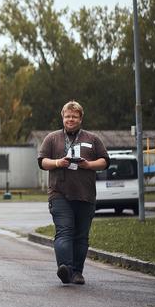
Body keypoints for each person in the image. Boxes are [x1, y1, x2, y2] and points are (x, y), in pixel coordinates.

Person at [38, 100, 109, 285]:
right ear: (62, 117)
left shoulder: (92, 139)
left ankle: (77, 272)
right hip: (59, 193)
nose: (70, 119)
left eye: (74, 116)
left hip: (85, 194)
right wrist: (57, 163)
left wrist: (89, 165)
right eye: (67, 116)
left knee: (81, 235)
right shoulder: (52, 138)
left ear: (80, 118)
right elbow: (42, 161)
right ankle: (65, 268)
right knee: (64, 231)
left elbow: (104, 161)